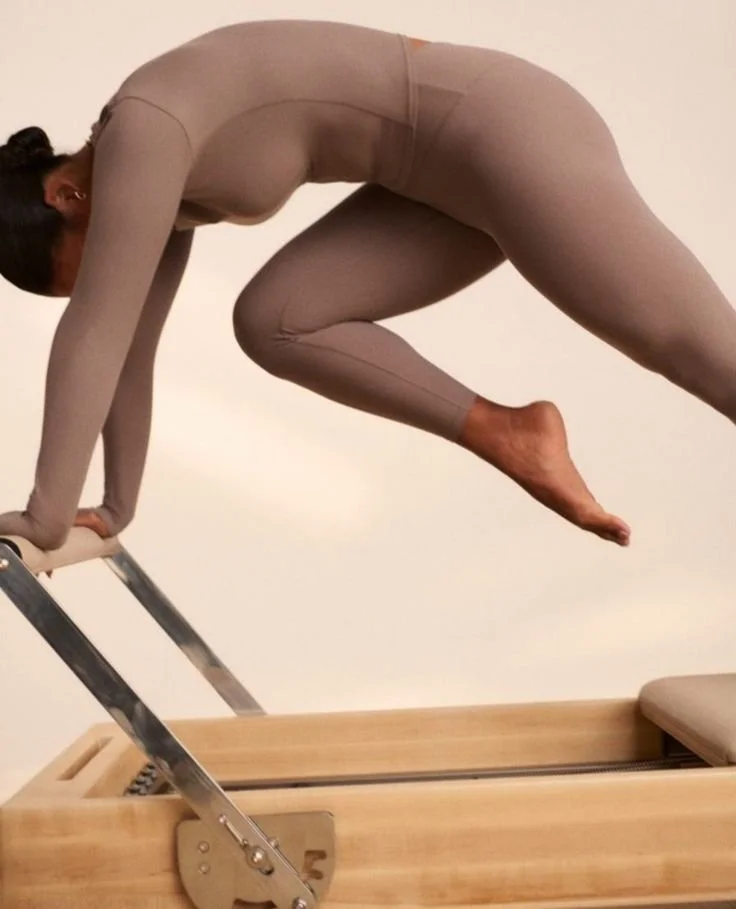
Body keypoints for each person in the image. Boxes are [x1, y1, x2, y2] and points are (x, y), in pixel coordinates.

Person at [0, 20, 733, 552]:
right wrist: (114, 505)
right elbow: (129, 345)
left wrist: (43, 516)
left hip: (506, 129)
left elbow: (94, 331)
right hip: (433, 192)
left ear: (64, 197)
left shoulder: (145, 131)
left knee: (699, 352)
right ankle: (512, 432)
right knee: (275, 319)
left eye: (85, 266)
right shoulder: (145, 174)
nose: (110, 273)